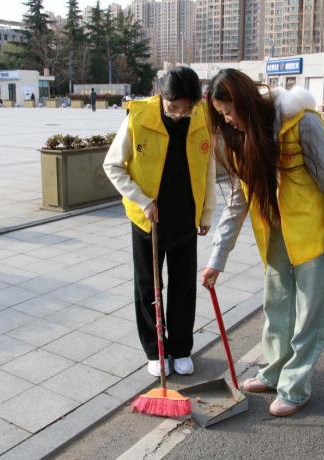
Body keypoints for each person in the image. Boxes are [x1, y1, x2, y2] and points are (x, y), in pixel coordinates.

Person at [201, 69, 324, 417]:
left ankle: (295, 388)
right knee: (277, 308)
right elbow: (238, 201)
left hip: (314, 235)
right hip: (276, 236)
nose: (227, 121)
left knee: (310, 316)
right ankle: (273, 372)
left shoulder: (301, 123)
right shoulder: (241, 139)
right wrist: (216, 259)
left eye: (228, 112)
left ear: (245, 102)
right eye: (221, 115)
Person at [104, 66, 216, 377]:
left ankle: (181, 349)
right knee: (149, 286)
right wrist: (142, 201)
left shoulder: (202, 118)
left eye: (186, 108)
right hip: (148, 220)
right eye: (173, 107)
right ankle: (156, 351)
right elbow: (113, 165)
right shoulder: (138, 117)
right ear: (161, 96)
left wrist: (206, 213)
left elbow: (208, 169)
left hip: (185, 217)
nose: (180, 114)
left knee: (184, 286)